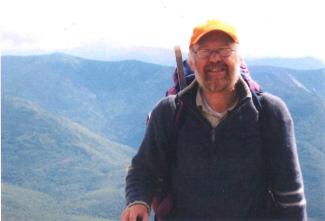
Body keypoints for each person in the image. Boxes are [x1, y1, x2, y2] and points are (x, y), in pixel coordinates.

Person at [121, 19, 307, 221]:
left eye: (224, 50)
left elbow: (290, 197)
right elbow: (143, 169)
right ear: (192, 61)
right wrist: (138, 201)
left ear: (238, 58)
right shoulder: (169, 112)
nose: (215, 58)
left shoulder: (270, 113)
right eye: (205, 51)